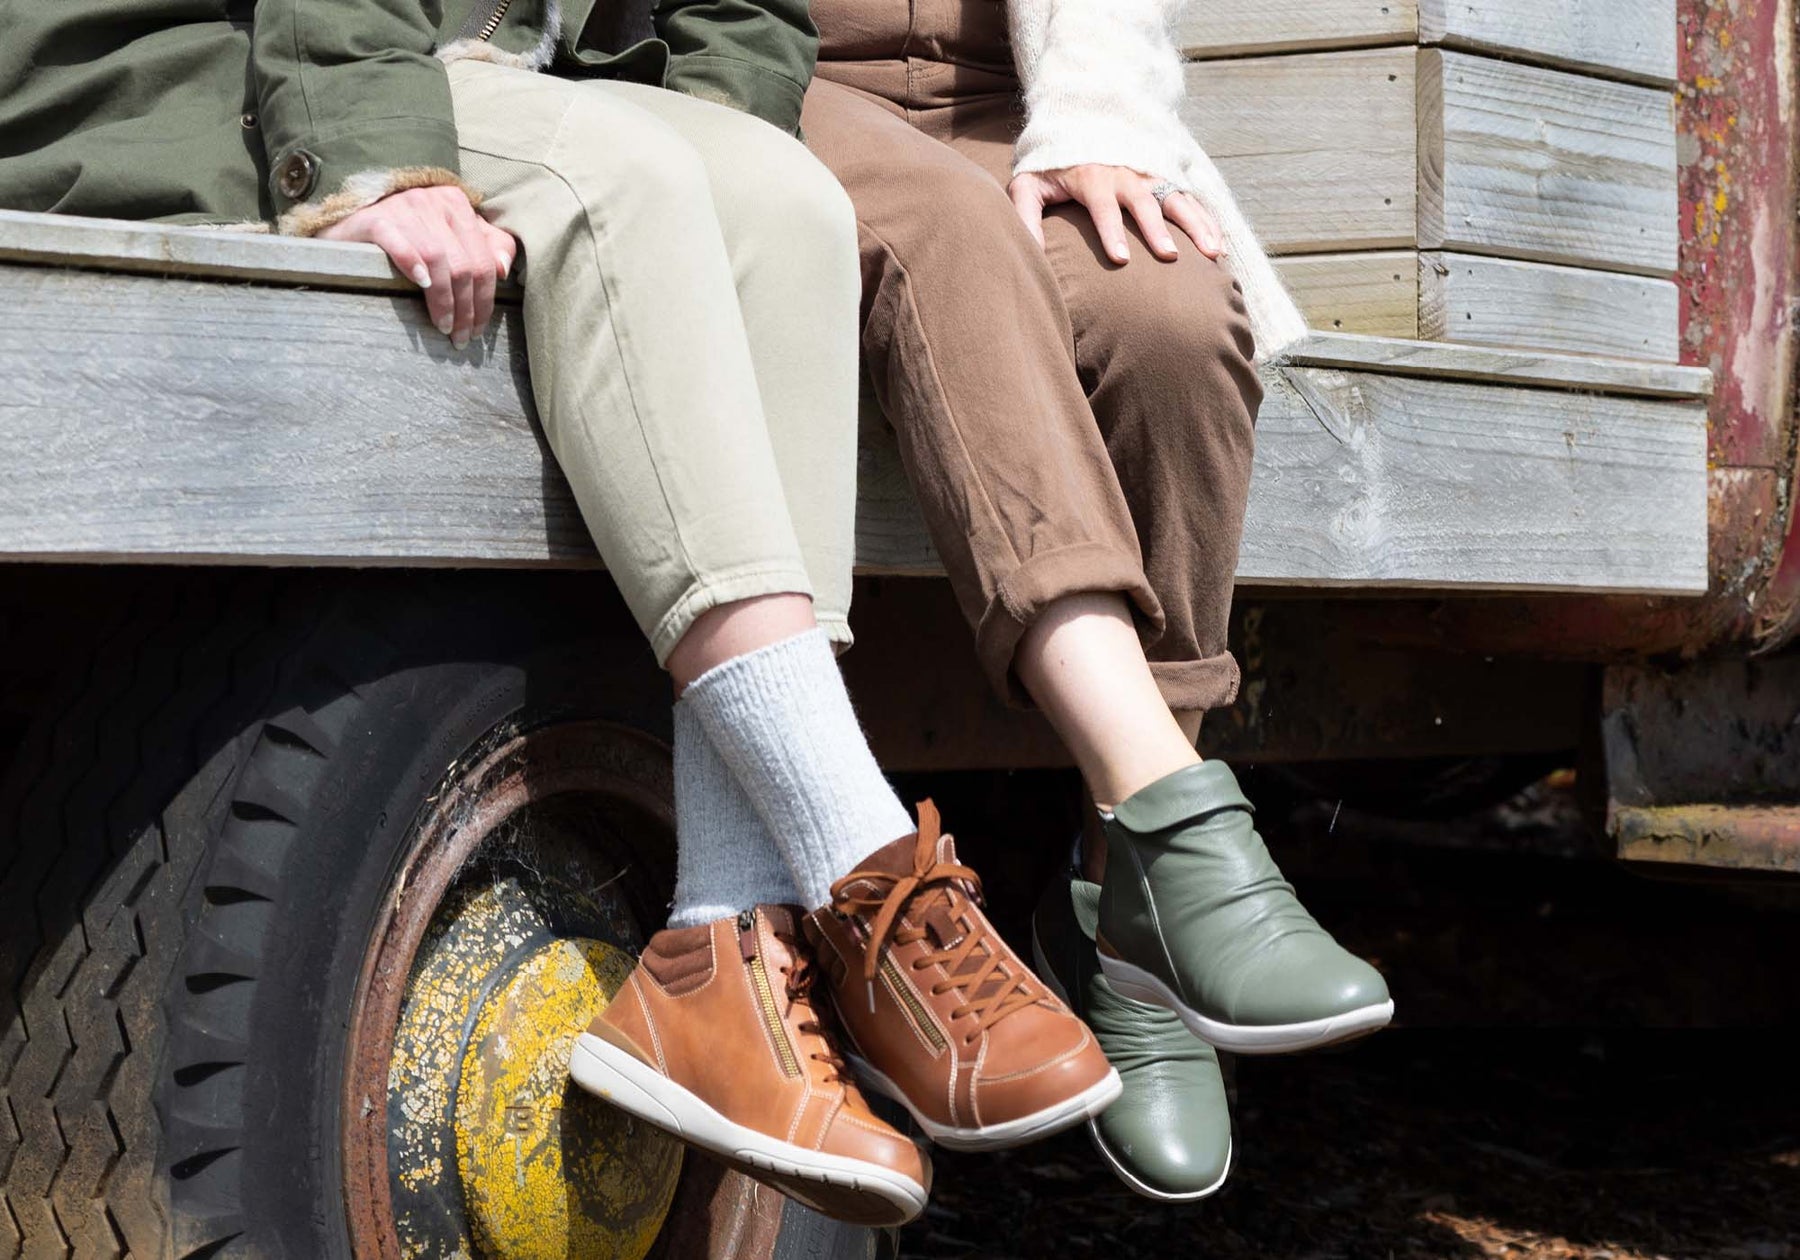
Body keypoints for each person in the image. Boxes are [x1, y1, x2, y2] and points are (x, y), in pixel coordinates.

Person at [0, 0, 1120, 1228]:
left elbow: (744, 24)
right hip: (221, 70)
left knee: (787, 203)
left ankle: (722, 938)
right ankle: (859, 858)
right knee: (625, 181)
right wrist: (377, 154)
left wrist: (712, 192)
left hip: (478, 78)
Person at [798, 0, 1395, 1201]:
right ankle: (1173, 832)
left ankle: (1120, 902)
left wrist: (1097, 119)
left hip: (1003, 102)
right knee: (950, 233)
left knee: (1169, 320)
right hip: (794, 87)